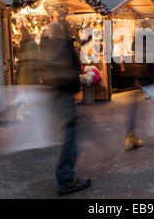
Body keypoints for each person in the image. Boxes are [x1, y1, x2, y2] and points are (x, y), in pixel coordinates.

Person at [39, 21, 91, 196]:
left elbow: (44, 70)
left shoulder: (46, 47)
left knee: (67, 135)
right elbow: (76, 68)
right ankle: (66, 178)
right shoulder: (64, 45)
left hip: (54, 94)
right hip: (65, 94)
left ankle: (64, 176)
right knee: (71, 138)